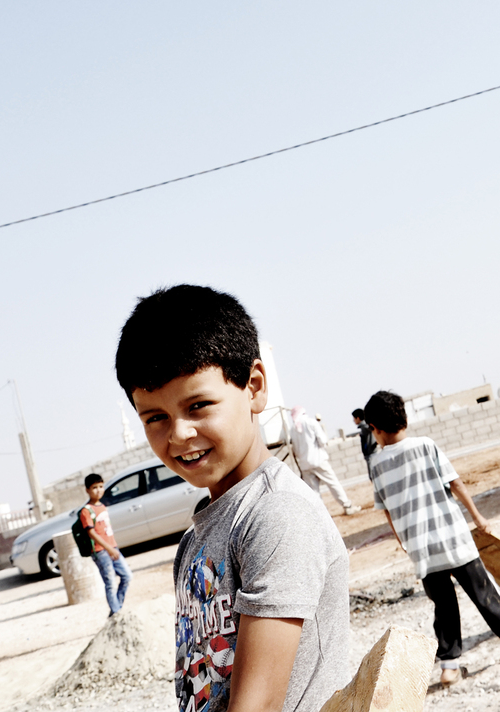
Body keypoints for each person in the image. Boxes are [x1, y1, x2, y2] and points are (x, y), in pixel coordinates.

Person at [115, 285, 350, 712]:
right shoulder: (196, 540)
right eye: (155, 418)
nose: (179, 434)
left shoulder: (277, 515)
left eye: (199, 405)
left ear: (255, 387)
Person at [361, 390, 500, 686]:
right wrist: (477, 516)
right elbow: (455, 482)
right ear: (405, 418)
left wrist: (403, 541)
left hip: (421, 547)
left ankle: (449, 668)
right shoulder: (425, 445)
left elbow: (386, 510)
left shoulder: (376, 465)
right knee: (483, 590)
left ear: (375, 428)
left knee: (444, 606)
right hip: (452, 536)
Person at [79, 472, 132, 617]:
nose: (99, 490)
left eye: (101, 486)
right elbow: (91, 533)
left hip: (112, 548)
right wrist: (108, 549)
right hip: (101, 551)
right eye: (94, 487)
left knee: (127, 576)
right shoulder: (86, 511)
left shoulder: (102, 506)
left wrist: (112, 547)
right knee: (110, 582)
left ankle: (117, 608)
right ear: (87, 490)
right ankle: (116, 612)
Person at [289, 406, 359, 515]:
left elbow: (295, 450)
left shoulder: (292, 429)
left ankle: (321, 515)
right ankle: (347, 506)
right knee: (333, 483)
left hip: (305, 465)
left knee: (314, 492)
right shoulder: (311, 422)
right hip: (318, 460)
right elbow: (322, 441)